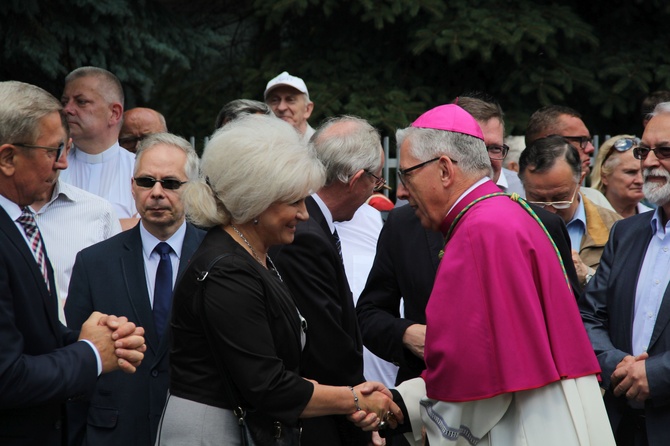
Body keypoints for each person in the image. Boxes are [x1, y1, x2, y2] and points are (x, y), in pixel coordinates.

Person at [355, 104, 614, 446]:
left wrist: (399, 405)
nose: (402, 190)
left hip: (522, 424)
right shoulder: (510, 213)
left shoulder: (479, 231)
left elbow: (476, 376)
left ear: (444, 170)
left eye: (407, 174)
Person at [156, 115, 402, 445]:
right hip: (213, 432)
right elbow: (267, 385)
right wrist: (355, 399)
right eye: (295, 201)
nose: (303, 214)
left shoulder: (253, 255)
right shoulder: (228, 271)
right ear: (257, 200)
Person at [0, 80, 145, 446]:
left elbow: (32, 337)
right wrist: (91, 353)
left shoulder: (18, 221)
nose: (64, 163)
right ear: (7, 158)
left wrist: (99, 337)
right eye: (53, 151)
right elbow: (7, 377)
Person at [64, 133, 205, 446]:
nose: (156, 193)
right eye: (146, 182)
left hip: (193, 433)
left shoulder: (218, 256)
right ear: (132, 186)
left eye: (170, 183)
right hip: (114, 432)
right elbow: (75, 357)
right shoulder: (94, 262)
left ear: (193, 189)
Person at [270, 115, 386, 445]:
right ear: (357, 179)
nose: (374, 192)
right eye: (376, 181)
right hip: (318, 419)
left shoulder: (309, 220)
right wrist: (363, 409)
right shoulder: (304, 233)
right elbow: (326, 348)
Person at [579, 102, 670, 445]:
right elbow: (589, 316)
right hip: (620, 426)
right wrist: (619, 365)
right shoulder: (625, 233)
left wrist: (657, 374)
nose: (647, 162)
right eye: (644, 150)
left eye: (664, 151)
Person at [30, 137, 121, 323]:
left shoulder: (98, 212)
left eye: (61, 149)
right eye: (47, 150)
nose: (62, 163)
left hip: (78, 343)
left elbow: (116, 295)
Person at [519, 135, 622, 288]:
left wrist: (587, 276)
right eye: (537, 198)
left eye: (560, 198)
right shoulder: (508, 227)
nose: (550, 210)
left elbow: (626, 294)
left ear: (580, 180)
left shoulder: (617, 229)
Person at [59, 66, 138, 227]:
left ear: (114, 113)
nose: (67, 109)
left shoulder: (139, 169)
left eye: (81, 102)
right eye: (65, 102)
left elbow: (151, 230)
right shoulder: (51, 165)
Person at [525, 104, 615, 210]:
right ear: (547, 143)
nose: (590, 148)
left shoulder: (596, 199)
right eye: (580, 140)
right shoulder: (510, 199)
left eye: (561, 198)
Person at [590, 134, 652, 218]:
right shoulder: (588, 217)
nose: (640, 180)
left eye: (644, 172)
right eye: (631, 172)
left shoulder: (657, 219)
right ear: (604, 176)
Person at [264, 71, 315, 140]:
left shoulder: (322, 147)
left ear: (307, 109)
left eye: (290, 100)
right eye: (274, 100)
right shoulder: (256, 146)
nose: (281, 107)